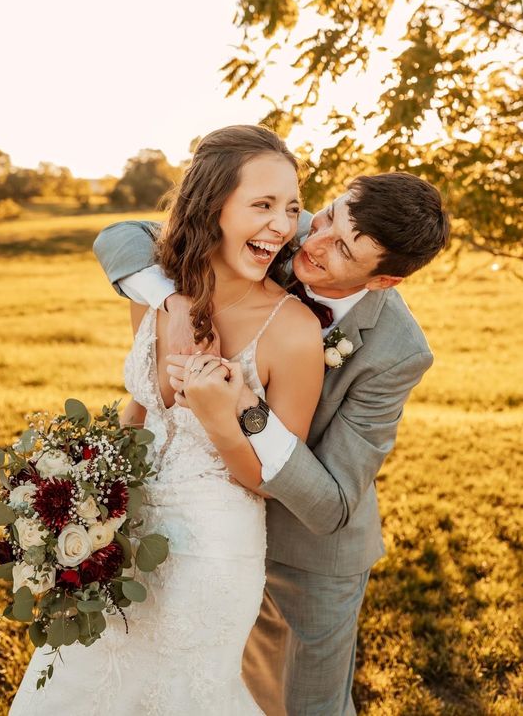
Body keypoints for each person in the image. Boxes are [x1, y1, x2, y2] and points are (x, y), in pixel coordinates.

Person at [94, 165, 450, 715]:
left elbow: (332, 502)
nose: (315, 239)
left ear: (383, 280)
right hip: (206, 528)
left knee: (306, 705)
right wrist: (172, 301)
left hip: (310, 556)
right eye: (330, 214)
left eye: (345, 249)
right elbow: (123, 236)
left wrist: (248, 413)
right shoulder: (284, 230)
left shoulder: (398, 352)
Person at [9, 125, 324, 716]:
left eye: (292, 207)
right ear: (213, 207)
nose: (282, 226)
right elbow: (142, 407)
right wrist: (78, 495)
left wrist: (222, 418)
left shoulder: (293, 331)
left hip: (212, 553)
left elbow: (272, 478)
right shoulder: (155, 294)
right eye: (262, 205)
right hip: (117, 541)